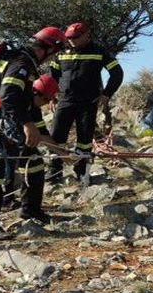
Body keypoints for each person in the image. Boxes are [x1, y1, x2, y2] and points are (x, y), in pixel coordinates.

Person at [0, 27, 66, 240]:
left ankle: (31, 209)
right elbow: (8, 97)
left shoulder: (25, 61)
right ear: (48, 48)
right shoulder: (22, 63)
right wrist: (27, 124)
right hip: (2, 124)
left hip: (10, 121)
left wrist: (57, 149)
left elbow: (26, 104)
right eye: (54, 52)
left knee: (34, 163)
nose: (54, 57)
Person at [47, 22, 123, 185]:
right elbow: (52, 76)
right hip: (65, 100)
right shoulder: (61, 52)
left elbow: (117, 73)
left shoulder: (99, 51)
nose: (72, 40)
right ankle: (54, 170)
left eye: (75, 37)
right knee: (57, 135)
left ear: (86, 35)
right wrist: (51, 95)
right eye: (69, 37)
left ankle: (81, 172)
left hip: (88, 101)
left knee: (84, 138)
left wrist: (107, 94)